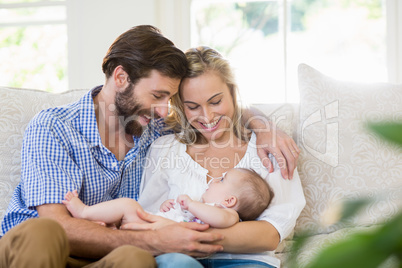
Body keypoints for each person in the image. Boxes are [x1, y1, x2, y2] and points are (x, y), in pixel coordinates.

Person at [0, 25, 299, 268]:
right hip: (40, 250)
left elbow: (211, 115)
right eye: (157, 95)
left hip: (102, 256)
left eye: (168, 100)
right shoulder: (54, 127)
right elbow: (59, 226)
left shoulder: (154, 129)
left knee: (136, 260)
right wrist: (156, 240)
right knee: (44, 232)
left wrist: (262, 125)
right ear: (120, 77)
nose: (162, 110)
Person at [133, 46, 306, 268]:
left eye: (215, 102)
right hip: (180, 260)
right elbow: (150, 221)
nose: (207, 116)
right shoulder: (164, 149)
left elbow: (271, 233)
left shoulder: (267, 147)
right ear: (180, 106)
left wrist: (187, 235)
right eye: (193, 107)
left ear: (233, 93)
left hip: (246, 261)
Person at [62, 168, 274, 229]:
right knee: (129, 206)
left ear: (229, 201)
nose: (214, 179)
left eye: (222, 180)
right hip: (155, 224)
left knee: (129, 207)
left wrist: (191, 204)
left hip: (160, 234)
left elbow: (216, 219)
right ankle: (88, 215)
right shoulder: (206, 208)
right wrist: (168, 206)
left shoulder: (228, 215)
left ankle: (84, 212)